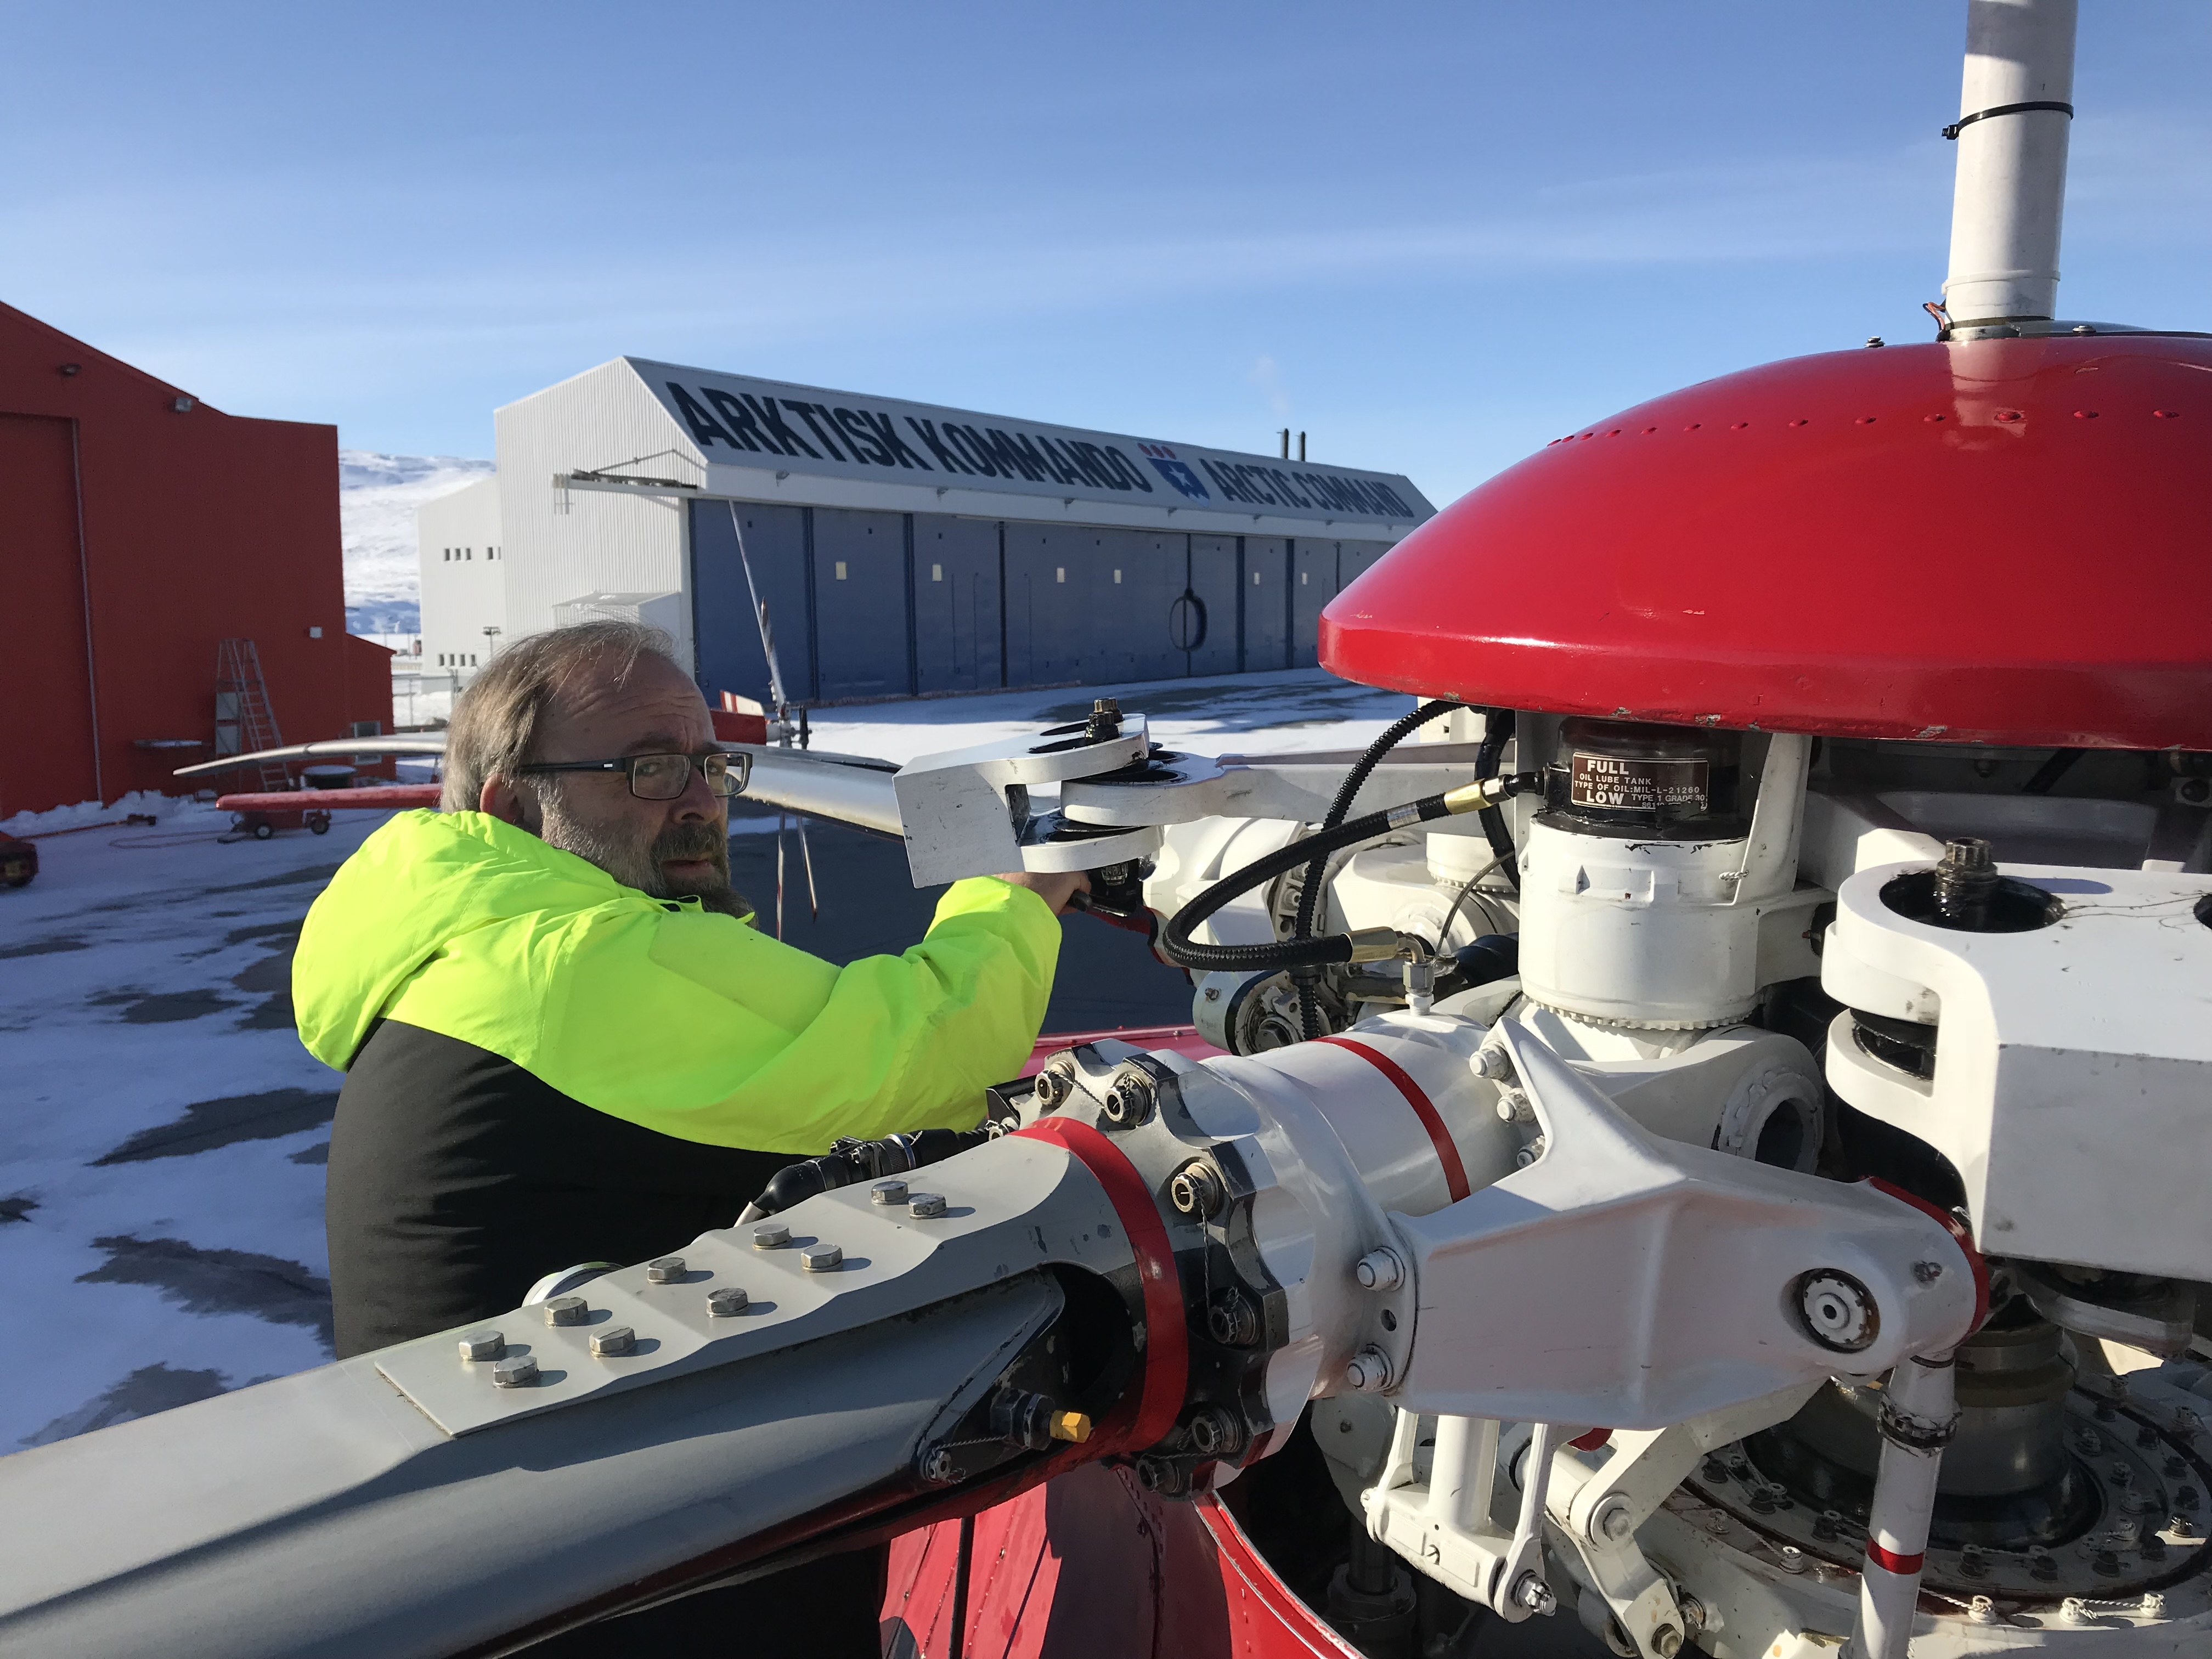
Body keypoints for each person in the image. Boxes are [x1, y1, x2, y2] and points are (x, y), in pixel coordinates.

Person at [292, 619, 1083, 1655]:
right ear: (511, 805)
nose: (701, 797)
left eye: (711, 763)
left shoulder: (461, 958)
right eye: (650, 768)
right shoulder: (569, 963)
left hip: (517, 1556)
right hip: (629, 1577)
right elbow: (927, 1051)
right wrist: (1019, 894)